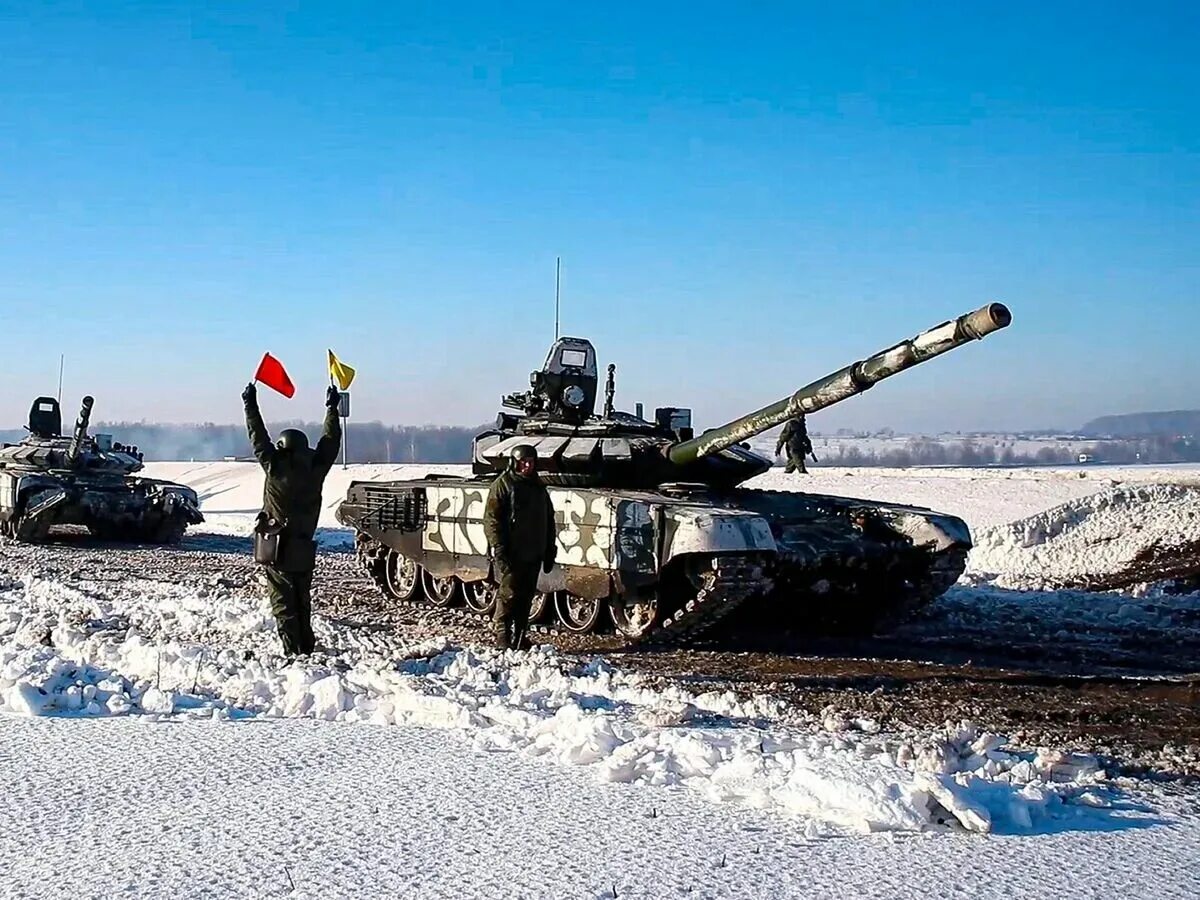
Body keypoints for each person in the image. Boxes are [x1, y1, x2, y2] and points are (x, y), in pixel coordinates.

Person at [242, 381, 342, 657]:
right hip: (303, 546)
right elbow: (330, 442)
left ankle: (294, 652)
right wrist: (332, 409)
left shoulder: (275, 467)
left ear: (283, 446)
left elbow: (257, 437)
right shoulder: (316, 469)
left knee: (283, 603)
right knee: (302, 600)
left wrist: (250, 403)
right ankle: (306, 648)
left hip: (277, 547)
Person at [483, 444, 557, 651]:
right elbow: (492, 519)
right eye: (523, 462)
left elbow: (548, 519)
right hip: (512, 550)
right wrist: (498, 546)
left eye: (531, 462)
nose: (527, 466)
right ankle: (502, 635)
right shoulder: (503, 485)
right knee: (509, 594)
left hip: (533, 551)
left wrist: (550, 547)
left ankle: (521, 635)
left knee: (526, 596)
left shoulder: (538, 487)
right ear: (514, 463)